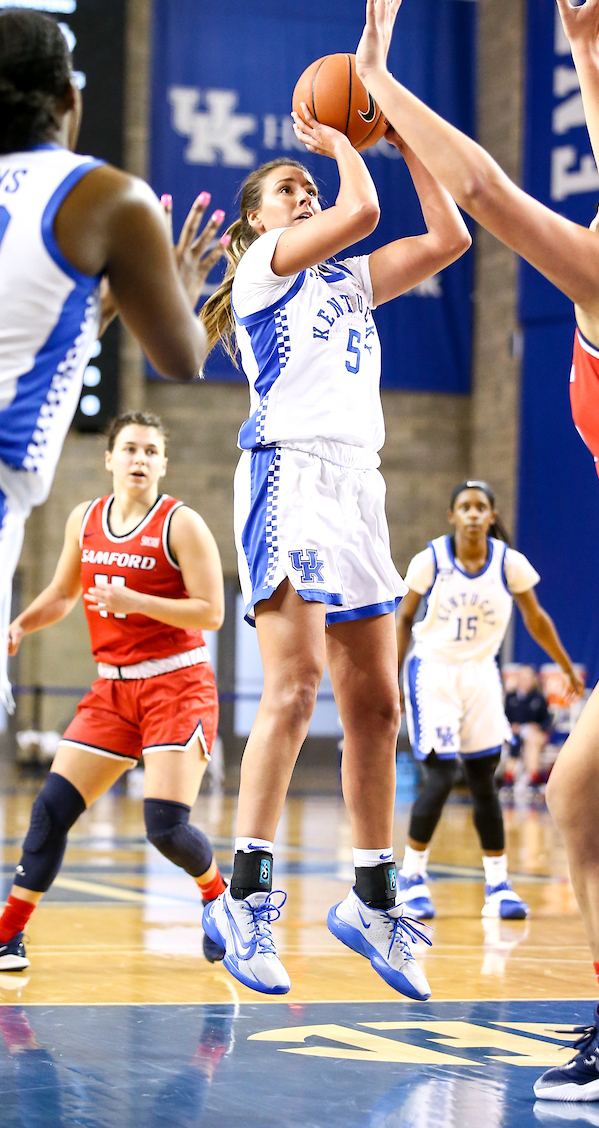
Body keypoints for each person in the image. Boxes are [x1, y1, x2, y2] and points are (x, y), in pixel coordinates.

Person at [355, 0, 599, 1105]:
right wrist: (581, 57)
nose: (582, 217)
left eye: (592, 218)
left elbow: (477, 185)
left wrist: (380, 79)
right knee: (576, 799)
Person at [0, 9, 225, 898]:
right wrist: (182, 291)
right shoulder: (106, 197)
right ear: (70, 98)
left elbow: (24, 330)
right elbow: (180, 358)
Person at [199, 107, 471, 1001]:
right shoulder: (260, 271)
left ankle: (371, 896)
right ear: (256, 221)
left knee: (378, 707)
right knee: (297, 684)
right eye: (288, 188)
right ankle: (245, 894)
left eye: (304, 182)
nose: (304, 189)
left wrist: (410, 144)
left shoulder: (346, 281)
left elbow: (447, 235)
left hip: (361, 487)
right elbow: (357, 210)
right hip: (291, 474)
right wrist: (346, 144)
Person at [0, 411, 226, 970]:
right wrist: (22, 624)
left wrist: (138, 602)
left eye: (150, 451)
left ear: (163, 463)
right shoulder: (84, 519)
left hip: (176, 683)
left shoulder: (180, 524)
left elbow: (212, 611)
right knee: (48, 812)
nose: (139, 459)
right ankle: (6, 938)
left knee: (166, 828)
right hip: (114, 691)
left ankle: (219, 900)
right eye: (130, 449)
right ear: (110, 459)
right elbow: (65, 594)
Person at [395, 480, 581, 922]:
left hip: (481, 673)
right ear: (452, 516)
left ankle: (498, 885)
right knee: (440, 778)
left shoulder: (509, 564)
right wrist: (391, 675)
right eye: (466, 506)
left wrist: (567, 666)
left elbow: (536, 619)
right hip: (433, 670)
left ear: (492, 516)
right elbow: (404, 618)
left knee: (484, 781)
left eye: (482, 507)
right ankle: (412, 878)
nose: (474, 513)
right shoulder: (431, 560)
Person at [504, 664, 553, 798]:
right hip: (514, 733)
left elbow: (547, 721)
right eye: (522, 678)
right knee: (514, 742)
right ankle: (509, 778)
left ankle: (533, 779)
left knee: (532, 740)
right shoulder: (510, 697)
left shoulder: (538, 698)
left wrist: (537, 727)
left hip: (533, 734)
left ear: (533, 680)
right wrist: (511, 727)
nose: (524, 681)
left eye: (528, 678)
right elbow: (502, 718)